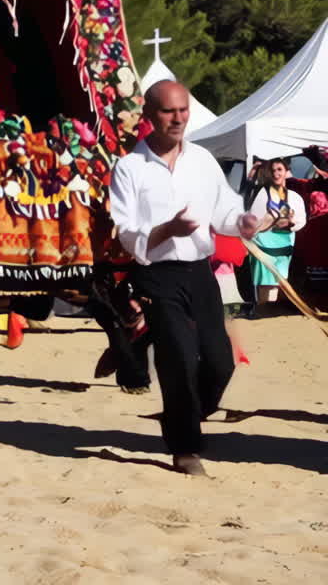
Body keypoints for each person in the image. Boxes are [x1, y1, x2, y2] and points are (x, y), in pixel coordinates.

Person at [109, 81, 259, 476]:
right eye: (168, 111)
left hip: (199, 272)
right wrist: (165, 231)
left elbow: (225, 207)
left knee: (219, 361)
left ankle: (185, 414)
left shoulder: (203, 161)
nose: (178, 119)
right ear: (149, 116)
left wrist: (241, 221)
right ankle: (185, 448)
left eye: (183, 110)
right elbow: (126, 231)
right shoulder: (129, 168)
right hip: (156, 276)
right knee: (176, 358)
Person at [247, 158, 306, 317]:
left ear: (286, 172)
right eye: (273, 170)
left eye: (279, 169)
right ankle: (263, 315)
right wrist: (270, 221)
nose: (276, 173)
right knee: (267, 285)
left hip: (284, 246)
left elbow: (301, 220)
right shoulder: (262, 195)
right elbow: (253, 225)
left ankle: (269, 318)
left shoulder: (294, 197)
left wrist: (291, 223)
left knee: (280, 284)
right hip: (263, 246)